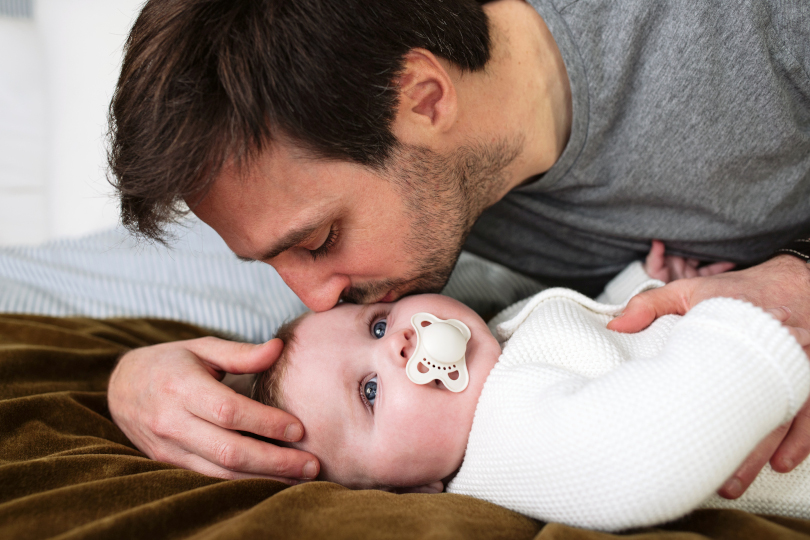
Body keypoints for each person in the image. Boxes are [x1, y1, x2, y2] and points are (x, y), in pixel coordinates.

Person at [106, 0, 810, 493]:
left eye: (320, 241)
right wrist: (131, 384)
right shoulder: (399, 234)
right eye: (272, 262)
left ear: (424, 98)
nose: (315, 297)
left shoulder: (747, 26)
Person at [246, 252, 810, 531]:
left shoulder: (497, 346)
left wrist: (642, 285)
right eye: (369, 391)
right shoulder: (509, 447)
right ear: (415, 490)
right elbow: (641, 452)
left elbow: (588, 333)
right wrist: (742, 335)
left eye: (376, 324)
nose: (397, 343)